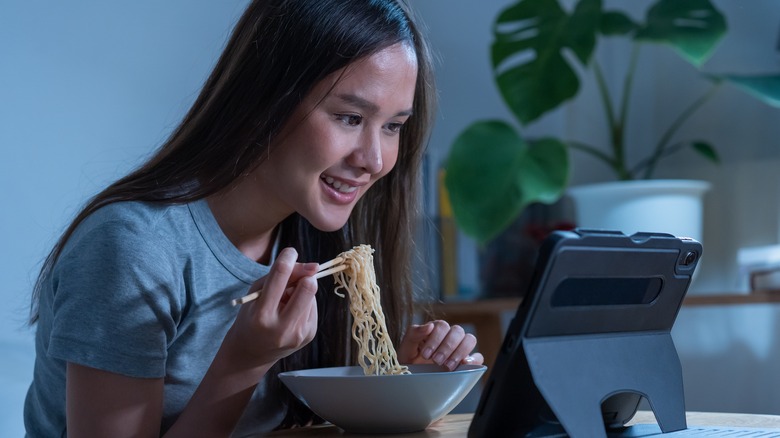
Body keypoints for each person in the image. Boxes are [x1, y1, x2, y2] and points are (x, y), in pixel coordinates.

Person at [23, 0, 483, 436]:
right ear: (266, 100)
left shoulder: (318, 239)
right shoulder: (133, 248)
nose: (375, 159)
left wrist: (402, 382)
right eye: (348, 117)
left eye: (393, 126)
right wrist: (242, 364)